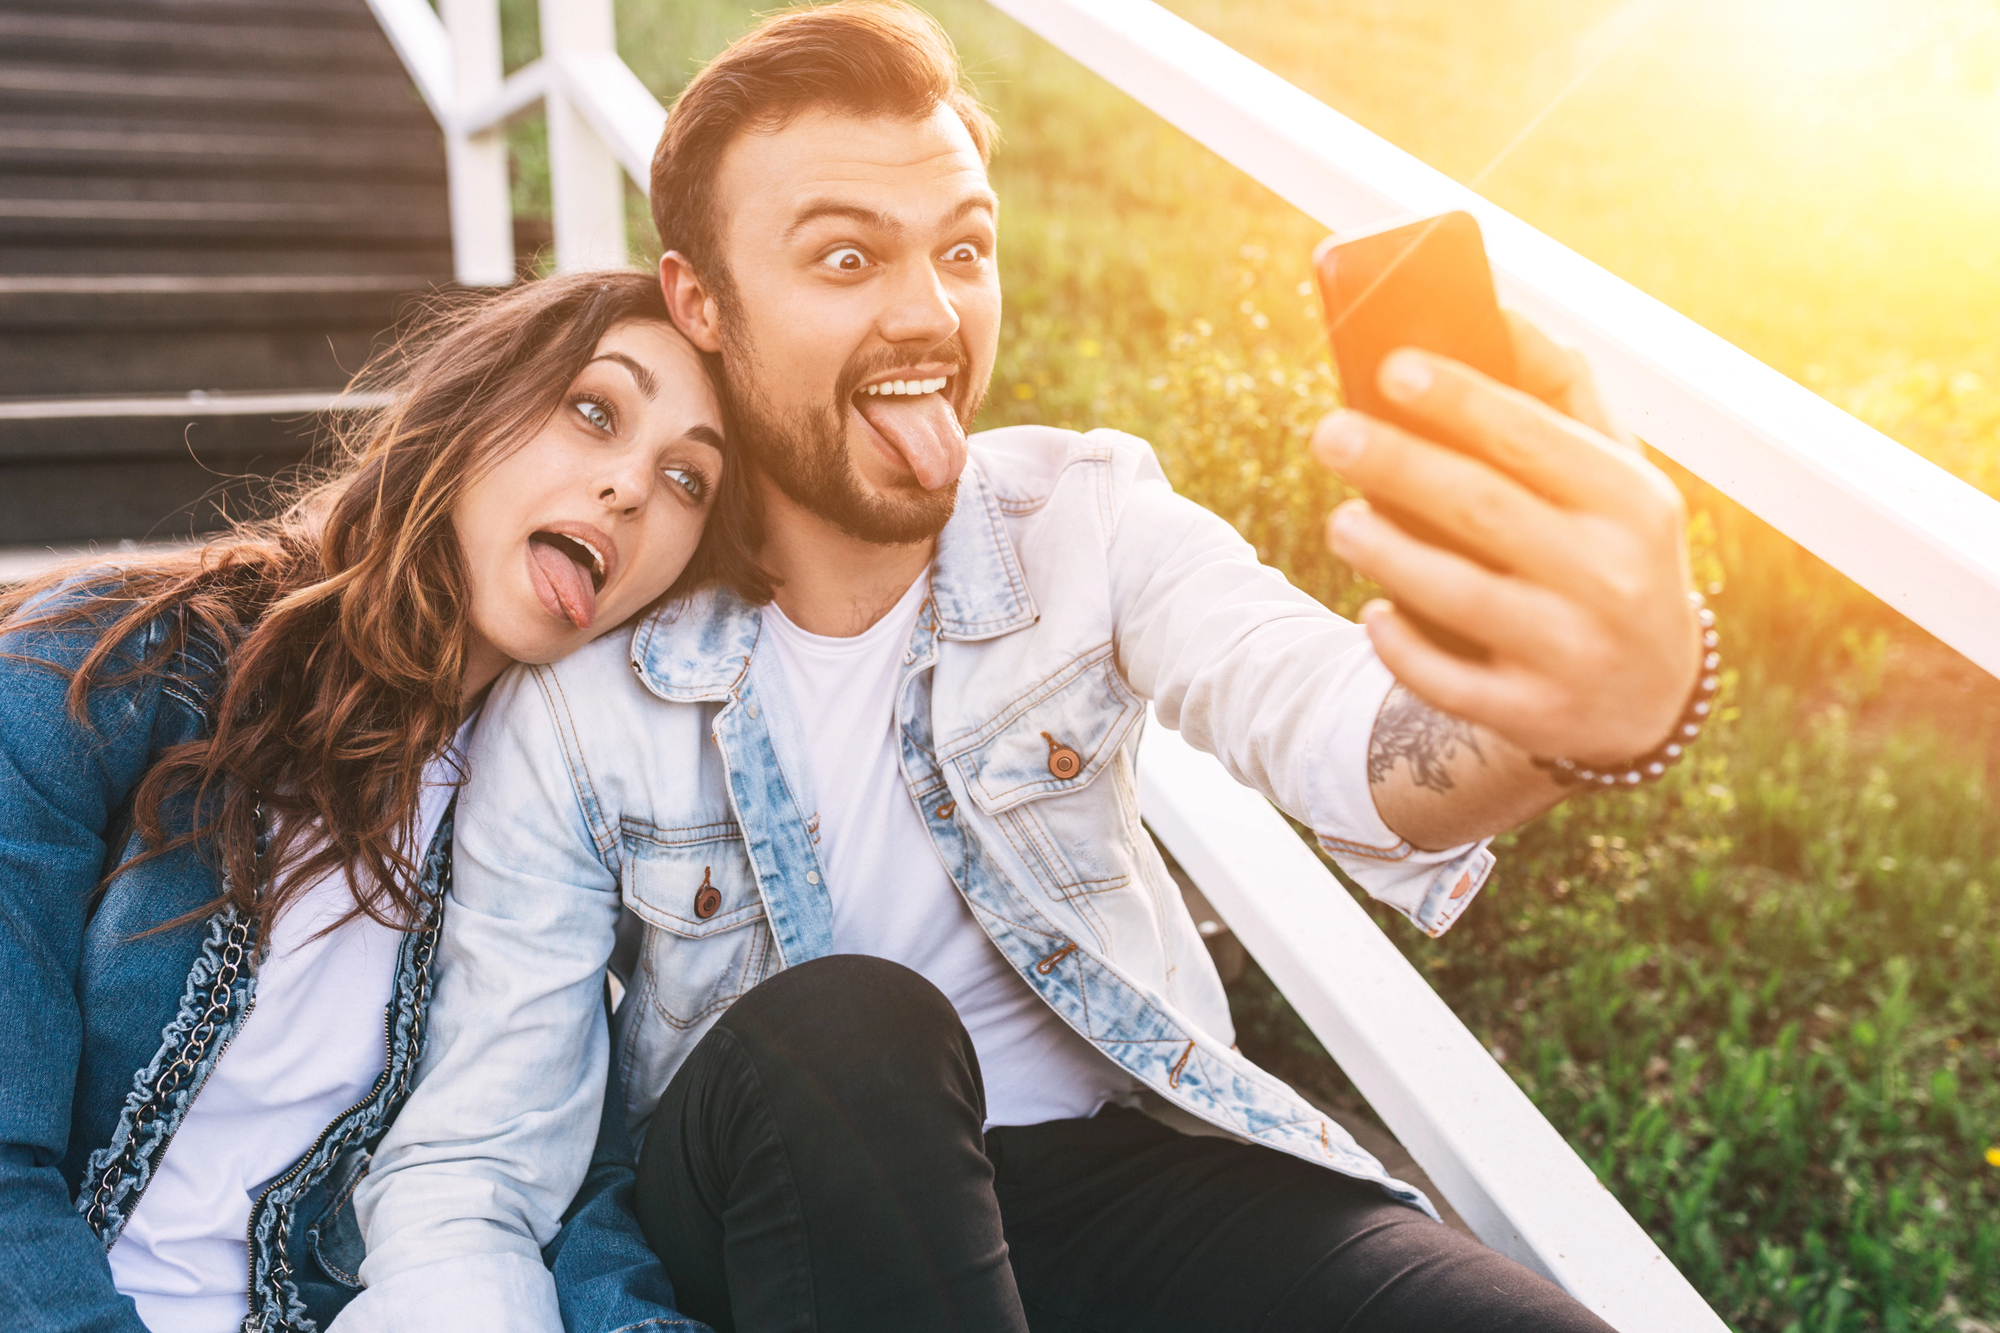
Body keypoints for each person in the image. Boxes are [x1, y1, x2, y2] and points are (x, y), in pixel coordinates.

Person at [344, 5, 1708, 1331]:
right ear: (701, 301)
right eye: (845, 261)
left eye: (965, 248)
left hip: (1120, 1173)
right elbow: (476, 1160)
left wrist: (1600, 705)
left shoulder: (1086, 519)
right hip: (784, 1215)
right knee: (853, 1032)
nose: (929, 314)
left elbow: (1365, 748)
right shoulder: (587, 703)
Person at [0, 269, 754, 1333]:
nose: (632, 485)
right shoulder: (116, 669)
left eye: (687, 480)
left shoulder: (539, 829)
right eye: (595, 412)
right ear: (474, 407)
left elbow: (559, 1201)